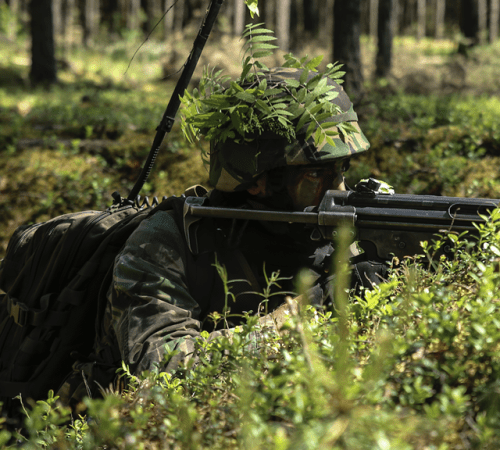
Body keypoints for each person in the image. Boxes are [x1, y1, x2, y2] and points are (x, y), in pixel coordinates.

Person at [56, 67, 385, 408]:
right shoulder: (168, 243)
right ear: (257, 180)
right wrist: (303, 313)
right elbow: (163, 371)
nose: (340, 190)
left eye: (342, 169)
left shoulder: (341, 231)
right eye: (317, 174)